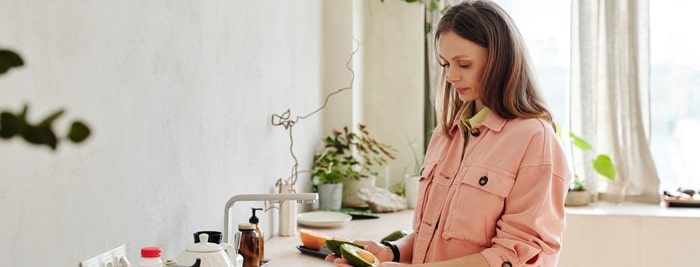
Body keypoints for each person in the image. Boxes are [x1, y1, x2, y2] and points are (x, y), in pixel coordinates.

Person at [326, 0, 571, 266]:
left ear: (500, 60)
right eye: (445, 65)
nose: (451, 76)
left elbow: (513, 256)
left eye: (463, 64)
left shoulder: (535, 139)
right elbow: (430, 235)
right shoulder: (447, 134)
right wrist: (391, 251)